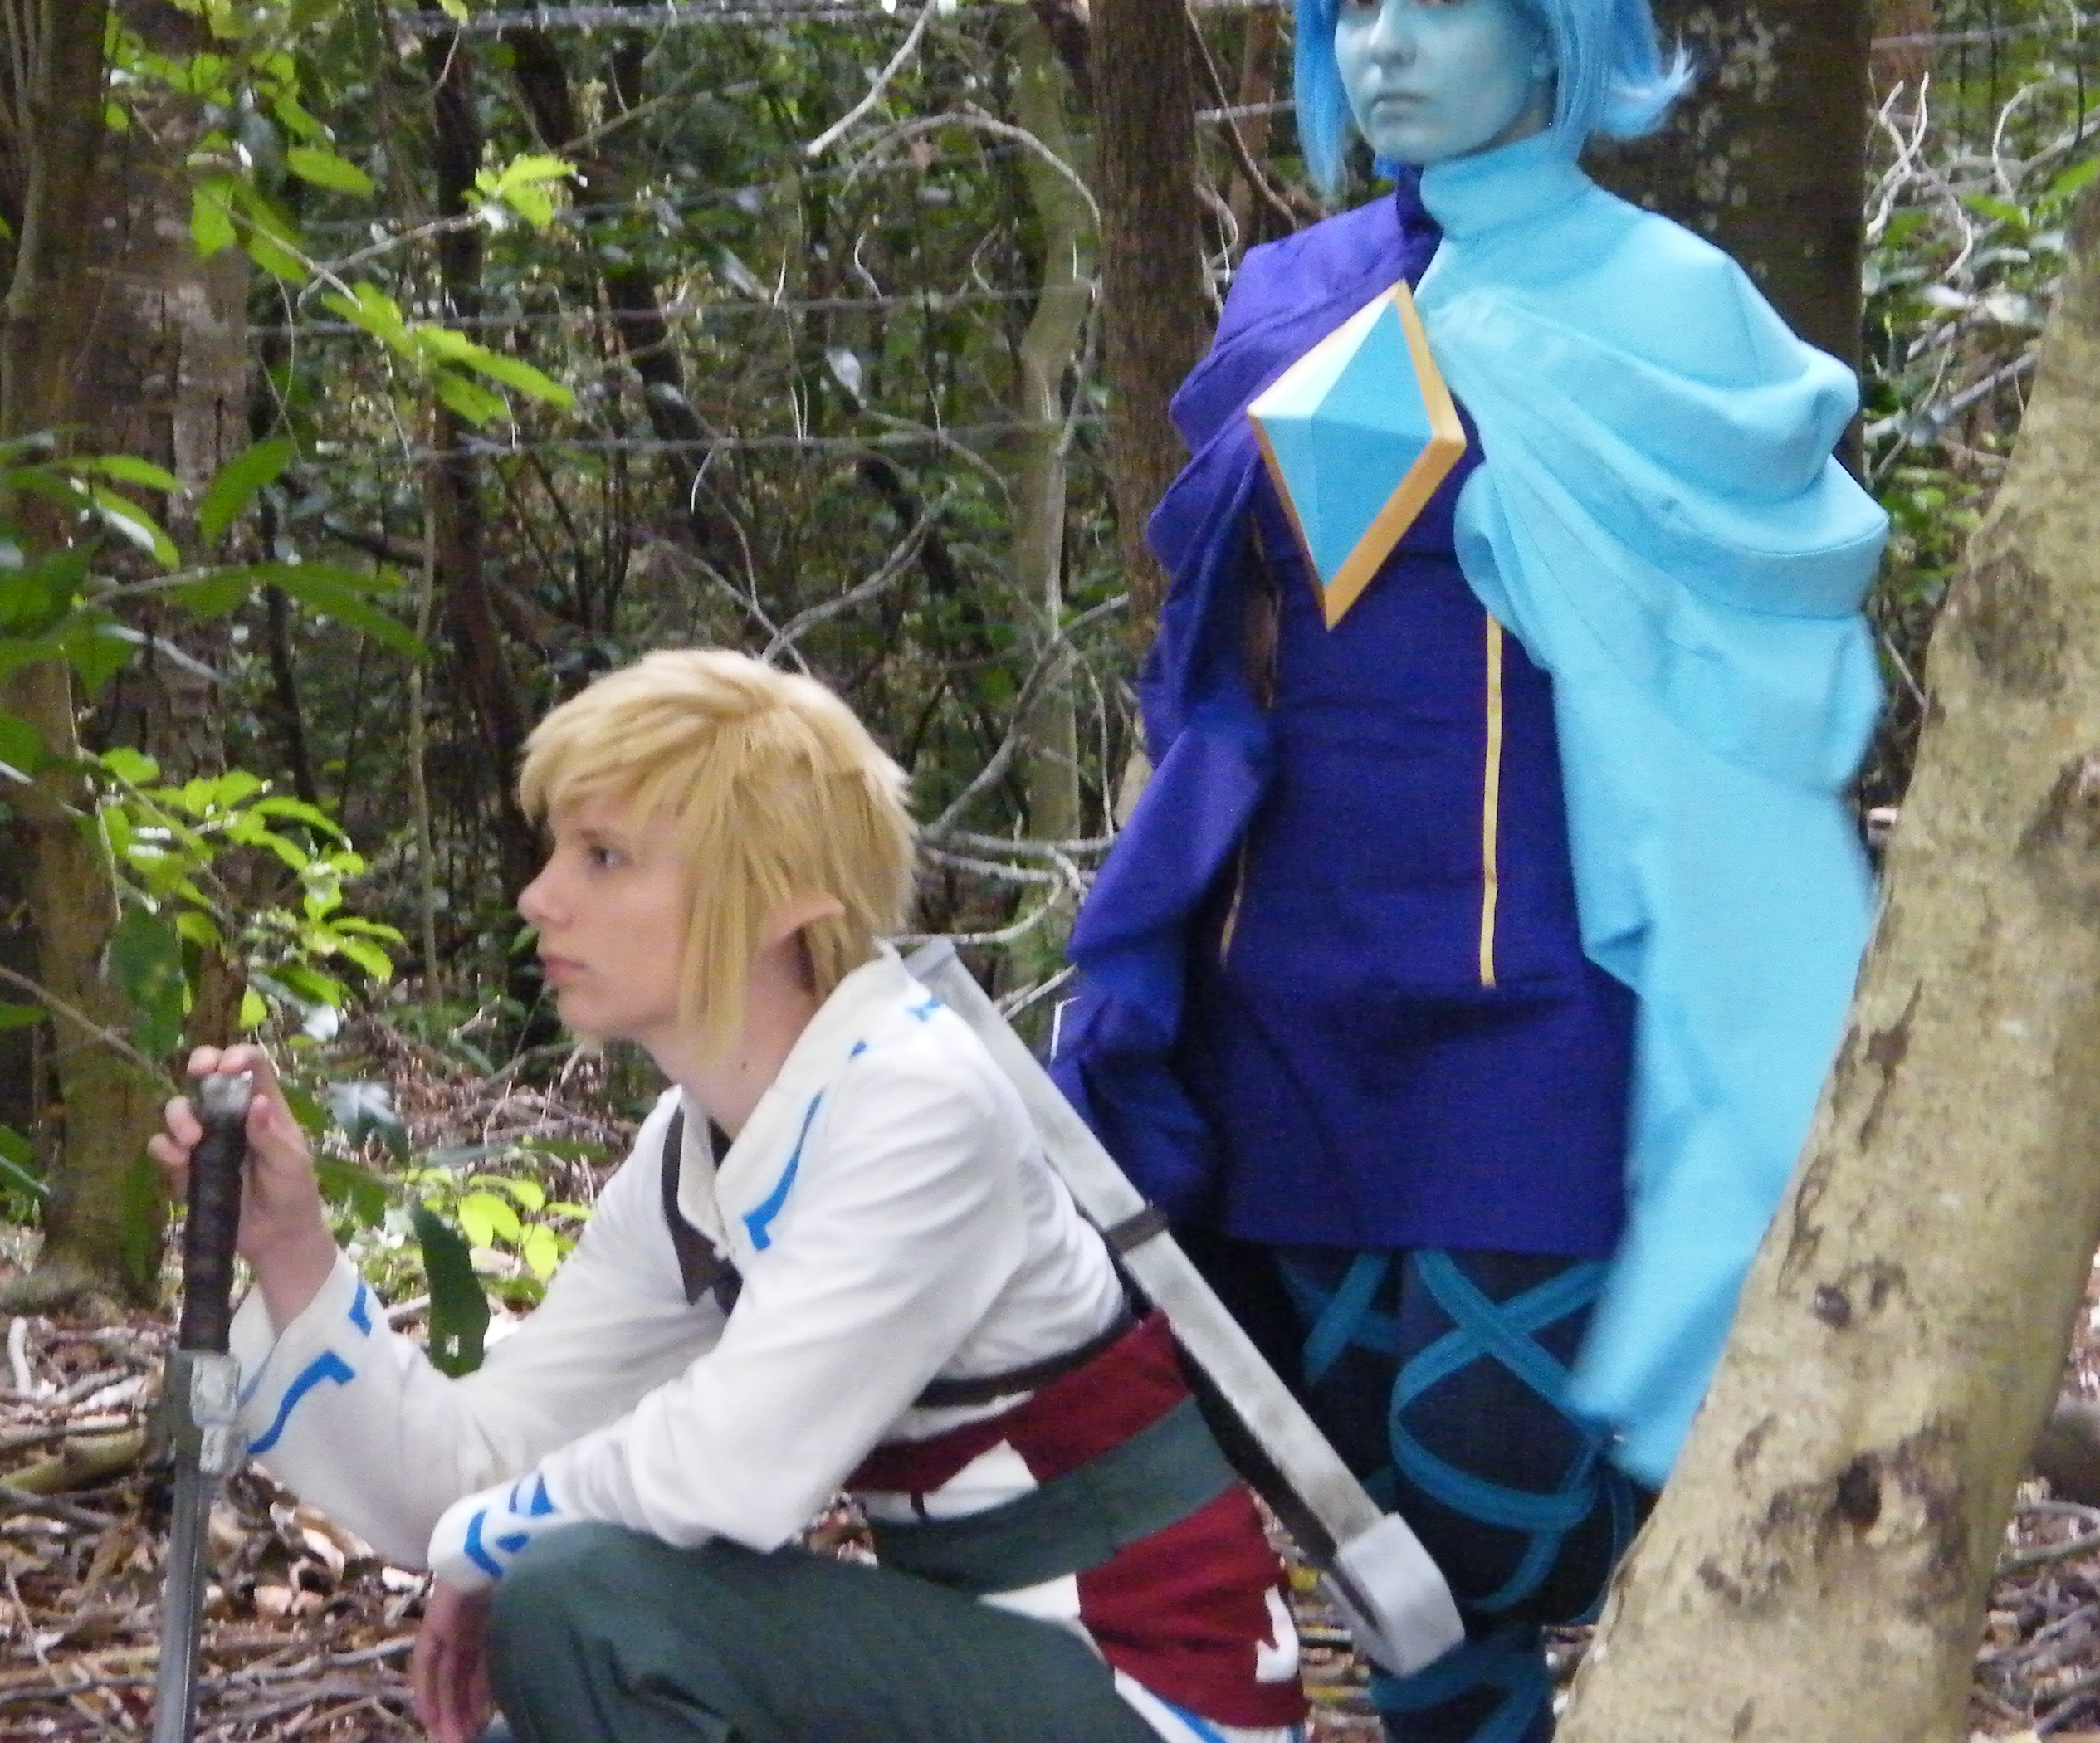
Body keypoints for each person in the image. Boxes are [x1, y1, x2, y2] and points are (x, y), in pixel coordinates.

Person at [1049, 0, 1889, 1743]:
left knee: (1493, 1492)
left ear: (1554, 23)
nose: (1389, 44)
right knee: (1367, 1538)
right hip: (1288, 1004)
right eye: (1358, 1)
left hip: (1545, 1016)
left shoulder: (1672, 308)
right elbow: (1212, 672)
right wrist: (1136, 951)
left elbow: (1757, 684)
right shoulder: (1293, 296)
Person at [151, 648, 1309, 1743]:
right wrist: (292, 1252)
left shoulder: (918, 1102)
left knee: (586, 1607)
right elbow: (477, 1467)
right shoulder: (699, 1144)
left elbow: (730, 1469)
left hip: (1149, 1701)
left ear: (781, 897)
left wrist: (488, 1549)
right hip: (977, 1675)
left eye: (605, 858)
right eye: (558, 851)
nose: (541, 897)